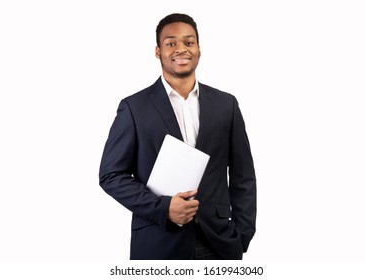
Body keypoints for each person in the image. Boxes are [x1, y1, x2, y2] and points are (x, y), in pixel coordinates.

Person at [99, 13, 257, 260]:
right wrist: (163, 208)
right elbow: (111, 175)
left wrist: (243, 235)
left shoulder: (227, 105)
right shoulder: (134, 107)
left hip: (218, 242)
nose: (181, 49)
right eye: (171, 43)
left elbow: (243, 175)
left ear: (199, 49)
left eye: (189, 42)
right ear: (157, 51)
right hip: (157, 241)